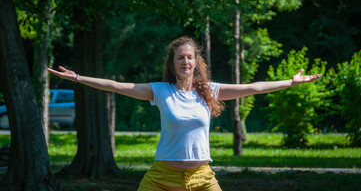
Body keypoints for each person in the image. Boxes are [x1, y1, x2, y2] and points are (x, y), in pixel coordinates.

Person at [47, 36, 321, 191]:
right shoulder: (160, 91)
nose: (185, 61)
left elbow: (254, 87)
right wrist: (79, 78)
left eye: (190, 57)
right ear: (173, 63)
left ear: (196, 61)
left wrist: (290, 82)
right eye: (180, 57)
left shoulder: (210, 91)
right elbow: (118, 86)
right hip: (162, 178)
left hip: (202, 178)